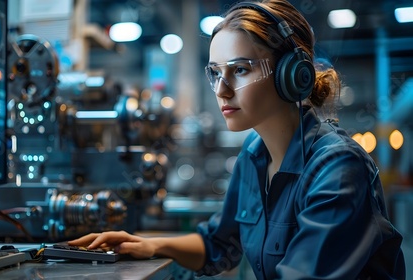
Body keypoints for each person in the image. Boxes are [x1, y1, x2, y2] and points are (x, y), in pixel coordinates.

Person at [68, 0, 406, 278]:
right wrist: (150, 244)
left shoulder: (337, 167)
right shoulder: (254, 156)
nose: (221, 90)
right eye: (215, 73)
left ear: (293, 74)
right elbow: (218, 242)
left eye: (240, 70)